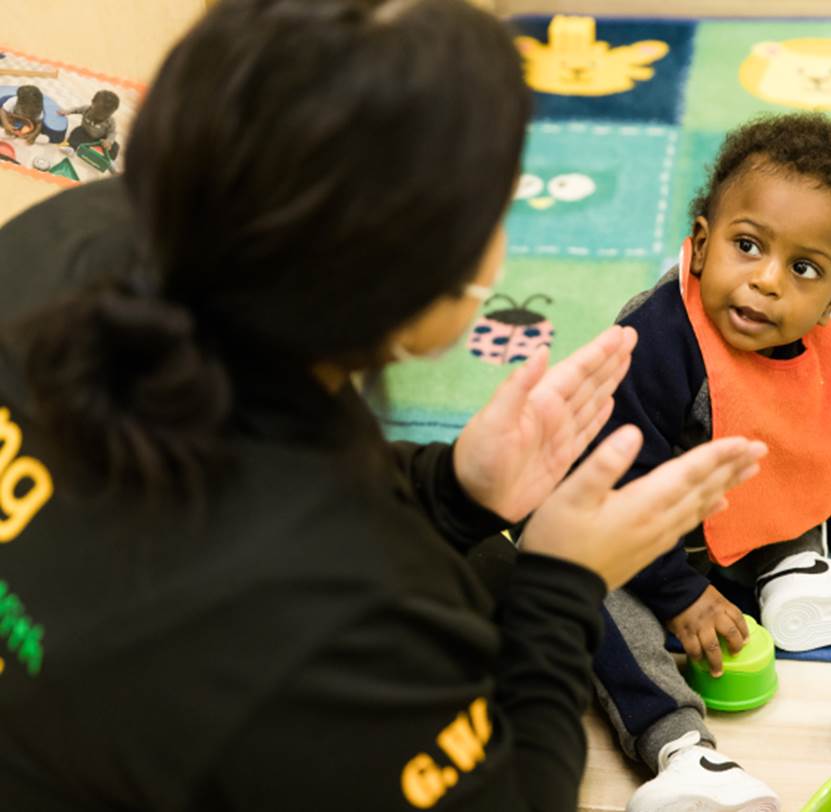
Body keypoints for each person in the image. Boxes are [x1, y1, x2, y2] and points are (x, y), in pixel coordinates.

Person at [0, 1, 766, 809]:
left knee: (486, 563)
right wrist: (566, 583)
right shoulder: (350, 613)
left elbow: (245, 468)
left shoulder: (69, 234)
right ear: (409, 294)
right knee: (509, 582)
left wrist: (456, 488)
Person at [584, 113, 831, 812]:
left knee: (778, 473)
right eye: (748, 246)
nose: (768, 282)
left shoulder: (810, 341)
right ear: (699, 242)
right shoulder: (653, 346)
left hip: (711, 517)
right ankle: (683, 752)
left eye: (804, 269)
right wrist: (676, 595)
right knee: (583, 599)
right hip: (614, 527)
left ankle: (795, 572)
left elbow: (822, 444)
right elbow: (613, 488)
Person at [59, 90, 122, 160]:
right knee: (76, 132)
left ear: (112, 113)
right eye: (97, 113)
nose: (100, 117)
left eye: (105, 116)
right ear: (92, 103)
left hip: (99, 140)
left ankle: (104, 157)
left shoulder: (110, 121)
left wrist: (109, 141)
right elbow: (76, 109)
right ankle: (71, 148)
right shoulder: (87, 109)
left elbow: (112, 132)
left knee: (115, 147)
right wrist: (67, 111)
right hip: (85, 133)